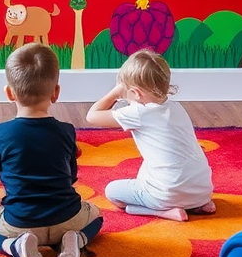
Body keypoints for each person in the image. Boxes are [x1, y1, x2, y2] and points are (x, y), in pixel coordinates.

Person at [0, 44, 103, 257]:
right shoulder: (66, 131)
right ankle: (75, 239)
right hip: (66, 216)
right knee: (97, 216)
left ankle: (14, 246)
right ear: (56, 92)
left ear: (9, 93)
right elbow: (70, 177)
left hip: (20, 222)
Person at [86, 48, 216, 222]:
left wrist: (116, 92)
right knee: (152, 164)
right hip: (202, 191)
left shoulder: (139, 113)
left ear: (137, 93)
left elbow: (92, 116)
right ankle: (197, 204)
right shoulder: (176, 107)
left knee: (112, 192)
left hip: (167, 195)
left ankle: (163, 212)